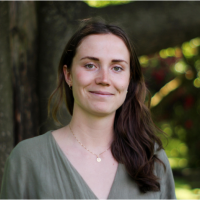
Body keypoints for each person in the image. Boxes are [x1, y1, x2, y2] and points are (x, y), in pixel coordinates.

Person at [0, 20, 176, 199]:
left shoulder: (152, 160)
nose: (104, 79)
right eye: (90, 65)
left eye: (117, 68)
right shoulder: (27, 158)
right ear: (68, 75)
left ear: (129, 80)